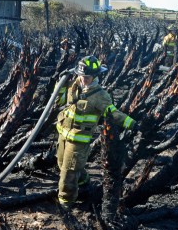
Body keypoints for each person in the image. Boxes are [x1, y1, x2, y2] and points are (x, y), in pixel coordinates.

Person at [55, 55, 135, 209]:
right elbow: (59, 101)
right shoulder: (73, 85)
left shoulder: (101, 96)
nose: (83, 79)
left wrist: (133, 124)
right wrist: (61, 85)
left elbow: (114, 114)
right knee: (62, 164)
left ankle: (66, 203)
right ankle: (84, 182)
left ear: (95, 76)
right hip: (63, 133)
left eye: (86, 77)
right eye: (81, 75)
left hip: (78, 140)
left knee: (68, 173)